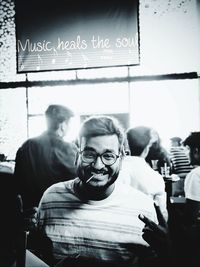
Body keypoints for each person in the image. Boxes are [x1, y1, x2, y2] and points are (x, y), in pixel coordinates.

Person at [35, 116, 158, 266]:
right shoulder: (51, 198)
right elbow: (39, 253)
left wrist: (167, 252)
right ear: (77, 156)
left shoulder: (143, 209)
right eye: (89, 154)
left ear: (121, 159)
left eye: (108, 156)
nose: (98, 166)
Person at [14, 104, 78, 209]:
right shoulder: (69, 149)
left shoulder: (27, 146)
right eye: (69, 123)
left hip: (31, 213)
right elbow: (78, 183)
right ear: (63, 125)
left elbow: (17, 184)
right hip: (59, 211)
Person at [118, 126, 168, 221]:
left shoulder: (115, 170)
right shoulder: (155, 178)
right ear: (147, 147)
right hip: (145, 230)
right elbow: (162, 216)